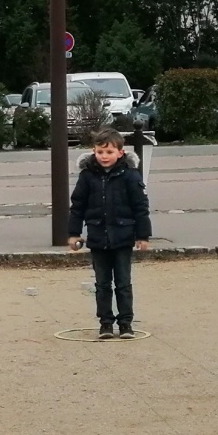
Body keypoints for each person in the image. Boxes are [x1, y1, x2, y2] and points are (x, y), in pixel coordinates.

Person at [68, 127, 152, 339]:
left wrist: (142, 236)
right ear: (93, 152)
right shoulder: (87, 176)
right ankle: (105, 322)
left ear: (120, 153)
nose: (104, 156)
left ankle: (125, 323)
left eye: (109, 152)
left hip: (123, 237)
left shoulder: (130, 176)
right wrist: (74, 233)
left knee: (123, 283)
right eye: (100, 152)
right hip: (97, 237)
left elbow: (140, 207)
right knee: (102, 284)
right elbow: (77, 206)